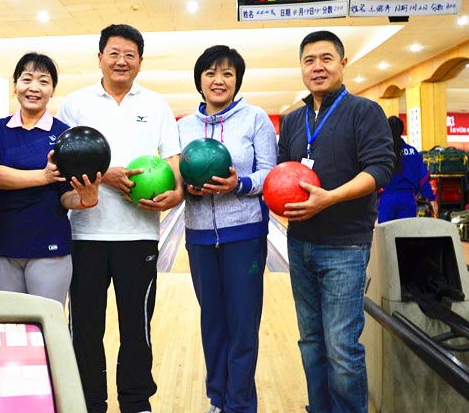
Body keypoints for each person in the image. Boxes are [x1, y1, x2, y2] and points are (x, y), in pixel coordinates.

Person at [57, 23, 184, 413]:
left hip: (139, 234)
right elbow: (63, 164)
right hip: (85, 235)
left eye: (130, 54)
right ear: (99, 58)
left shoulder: (156, 105)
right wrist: (105, 174)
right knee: (85, 329)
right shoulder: (75, 104)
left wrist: (176, 193)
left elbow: (173, 160)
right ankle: (89, 402)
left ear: (140, 62)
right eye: (113, 53)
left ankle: (136, 401)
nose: (121, 61)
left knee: (136, 327)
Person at [277, 30, 394, 413]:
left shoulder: (364, 111)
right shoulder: (293, 120)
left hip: (345, 245)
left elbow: (380, 169)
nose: (317, 67)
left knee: (341, 347)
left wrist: (329, 198)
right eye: (309, 60)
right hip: (301, 242)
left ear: (343, 64)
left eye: (326, 59)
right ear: (301, 67)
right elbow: (283, 171)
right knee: (311, 340)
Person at [177, 45, 276, 413]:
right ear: (199, 80)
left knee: (243, 324)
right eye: (211, 73)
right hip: (200, 236)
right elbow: (177, 177)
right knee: (213, 323)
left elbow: (270, 174)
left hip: (244, 234)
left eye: (227, 74)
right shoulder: (183, 127)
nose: (218, 80)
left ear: (237, 81)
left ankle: (240, 404)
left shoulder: (255, 118)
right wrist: (188, 189)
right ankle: (217, 398)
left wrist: (239, 184)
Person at [0, 53, 100, 307]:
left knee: (47, 322)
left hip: (49, 245)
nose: (34, 87)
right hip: (3, 244)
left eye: (43, 81)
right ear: (15, 86)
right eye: (27, 79)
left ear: (52, 90)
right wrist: (43, 176)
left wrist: (85, 199)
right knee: (12, 324)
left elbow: (65, 195)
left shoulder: (64, 135)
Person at [378, 115, 438, 222]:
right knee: (406, 231)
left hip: (387, 198)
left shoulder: (382, 152)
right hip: (408, 199)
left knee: (386, 231)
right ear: (402, 131)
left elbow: (374, 176)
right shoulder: (412, 152)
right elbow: (423, 178)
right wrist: (431, 198)